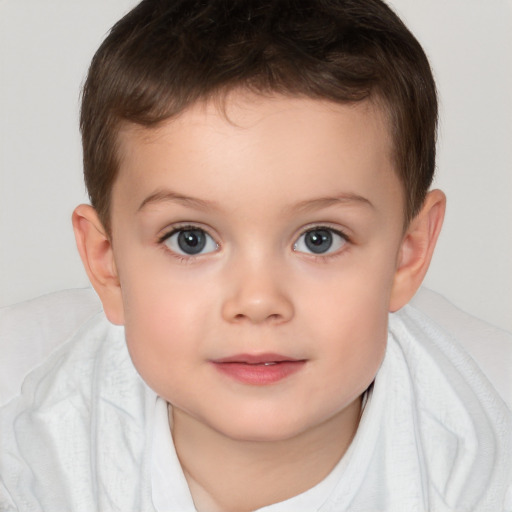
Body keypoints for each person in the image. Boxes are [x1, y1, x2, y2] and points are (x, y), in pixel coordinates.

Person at [1, 0, 511, 511]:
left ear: (408, 253)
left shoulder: (478, 468)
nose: (259, 300)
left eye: (320, 239)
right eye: (190, 239)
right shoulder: (41, 462)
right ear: (106, 264)